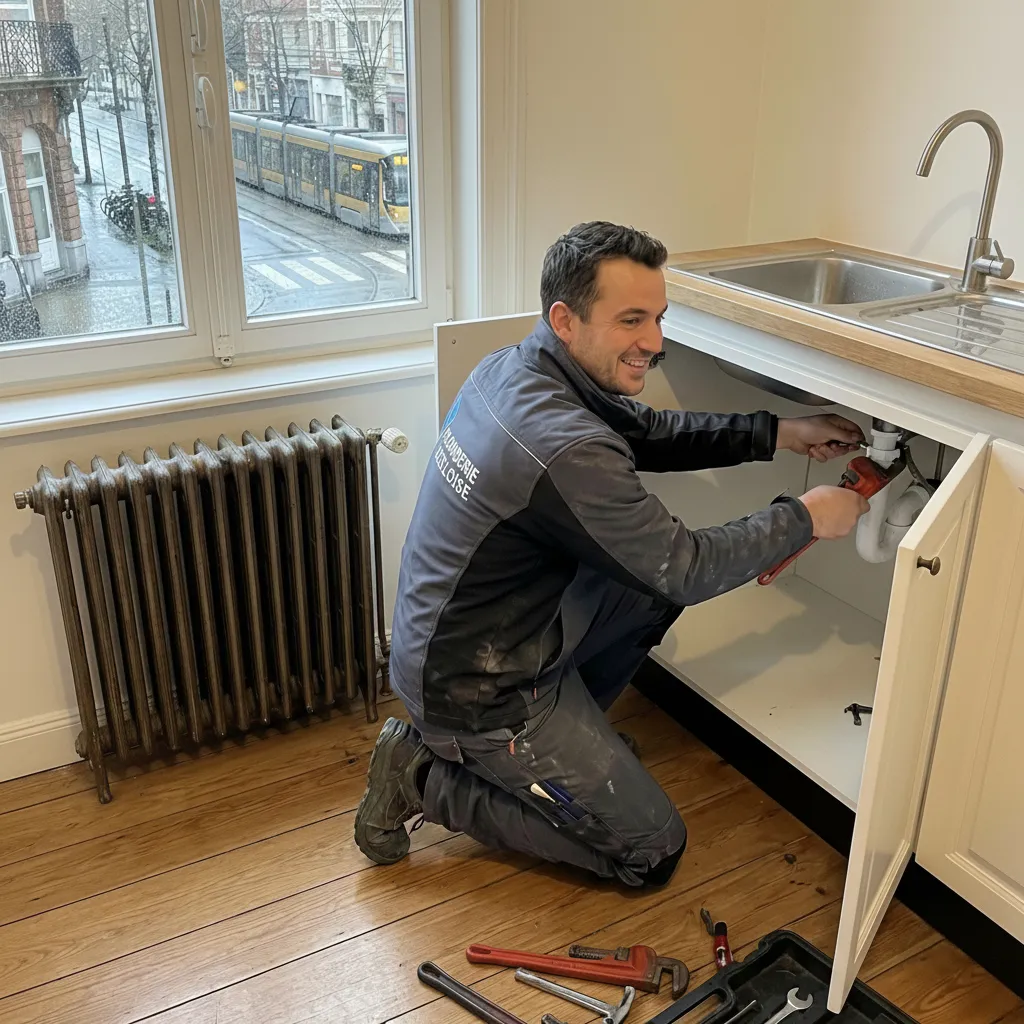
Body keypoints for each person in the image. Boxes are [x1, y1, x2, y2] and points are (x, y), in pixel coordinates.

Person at [354, 221, 868, 887]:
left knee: (645, 584)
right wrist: (804, 517)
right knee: (649, 849)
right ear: (566, 319)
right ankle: (422, 775)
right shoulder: (564, 445)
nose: (653, 343)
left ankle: (564, 759)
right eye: (632, 320)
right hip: (477, 692)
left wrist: (779, 432)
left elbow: (647, 433)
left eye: (657, 317)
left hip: (475, 639)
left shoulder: (517, 368)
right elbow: (687, 566)